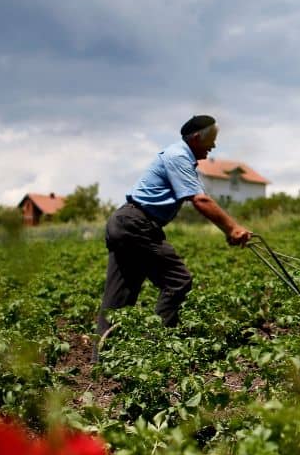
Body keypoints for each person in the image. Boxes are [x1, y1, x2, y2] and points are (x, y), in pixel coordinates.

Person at [96, 115, 252, 347]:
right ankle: (155, 347)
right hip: (136, 224)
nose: (213, 146)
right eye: (211, 140)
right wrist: (233, 228)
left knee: (118, 298)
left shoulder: (178, 157)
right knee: (178, 280)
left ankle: (103, 358)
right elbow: (200, 200)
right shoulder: (178, 156)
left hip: (125, 222)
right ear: (196, 138)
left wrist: (229, 230)